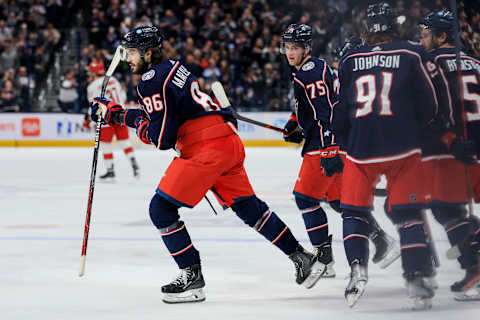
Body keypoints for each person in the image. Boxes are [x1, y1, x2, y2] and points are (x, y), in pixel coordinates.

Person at [90, 26, 325, 304]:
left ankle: (191, 277)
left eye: (131, 53)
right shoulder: (174, 67)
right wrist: (125, 114)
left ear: (148, 52)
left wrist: (119, 116)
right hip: (226, 140)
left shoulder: (150, 81)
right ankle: (302, 257)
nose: (128, 58)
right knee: (248, 207)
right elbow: (174, 112)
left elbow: (160, 137)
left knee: (161, 209)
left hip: (205, 148)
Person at [331, 3, 444, 309]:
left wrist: (339, 142)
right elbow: (430, 106)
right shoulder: (411, 53)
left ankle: (356, 266)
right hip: (403, 146)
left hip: (360, 148)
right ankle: (418, 278)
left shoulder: (350, 58)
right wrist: (413, 126)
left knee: (354, 212)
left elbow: (339, 111)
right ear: (395, 25)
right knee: (408, 215)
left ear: (367, 29)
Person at [280, 24, 400, 279]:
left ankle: (324, 259)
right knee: (339, 201)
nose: (290, 52)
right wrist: (295, 125)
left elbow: (325, 112)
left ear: (307, 48)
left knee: (305, 199)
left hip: (323, 146)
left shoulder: (309, 73)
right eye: (288, 47)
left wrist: (328, 147)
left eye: (295, 47)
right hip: (337, 142)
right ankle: (381, 239)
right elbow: (311, 107)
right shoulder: (314, 69)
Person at [419, 10, 480, 301]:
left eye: (427, 31)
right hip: (477, 145)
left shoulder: (430, 62)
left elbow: (427, 111)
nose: (422, 36)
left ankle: (474, 268)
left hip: (453, 150)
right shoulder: (477, 62)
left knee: (446, 209)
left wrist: (450, 140)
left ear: (442, 36)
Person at [86, 59, 140, 181]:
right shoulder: (114, 80)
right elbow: (123, 96)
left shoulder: (92, 86)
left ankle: (110, 171)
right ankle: (133, 162)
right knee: (124, 142)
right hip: (120, 113)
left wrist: (90, 119)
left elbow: (94, 106)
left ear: (93, 73)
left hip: (105, 117)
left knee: (105, 145)